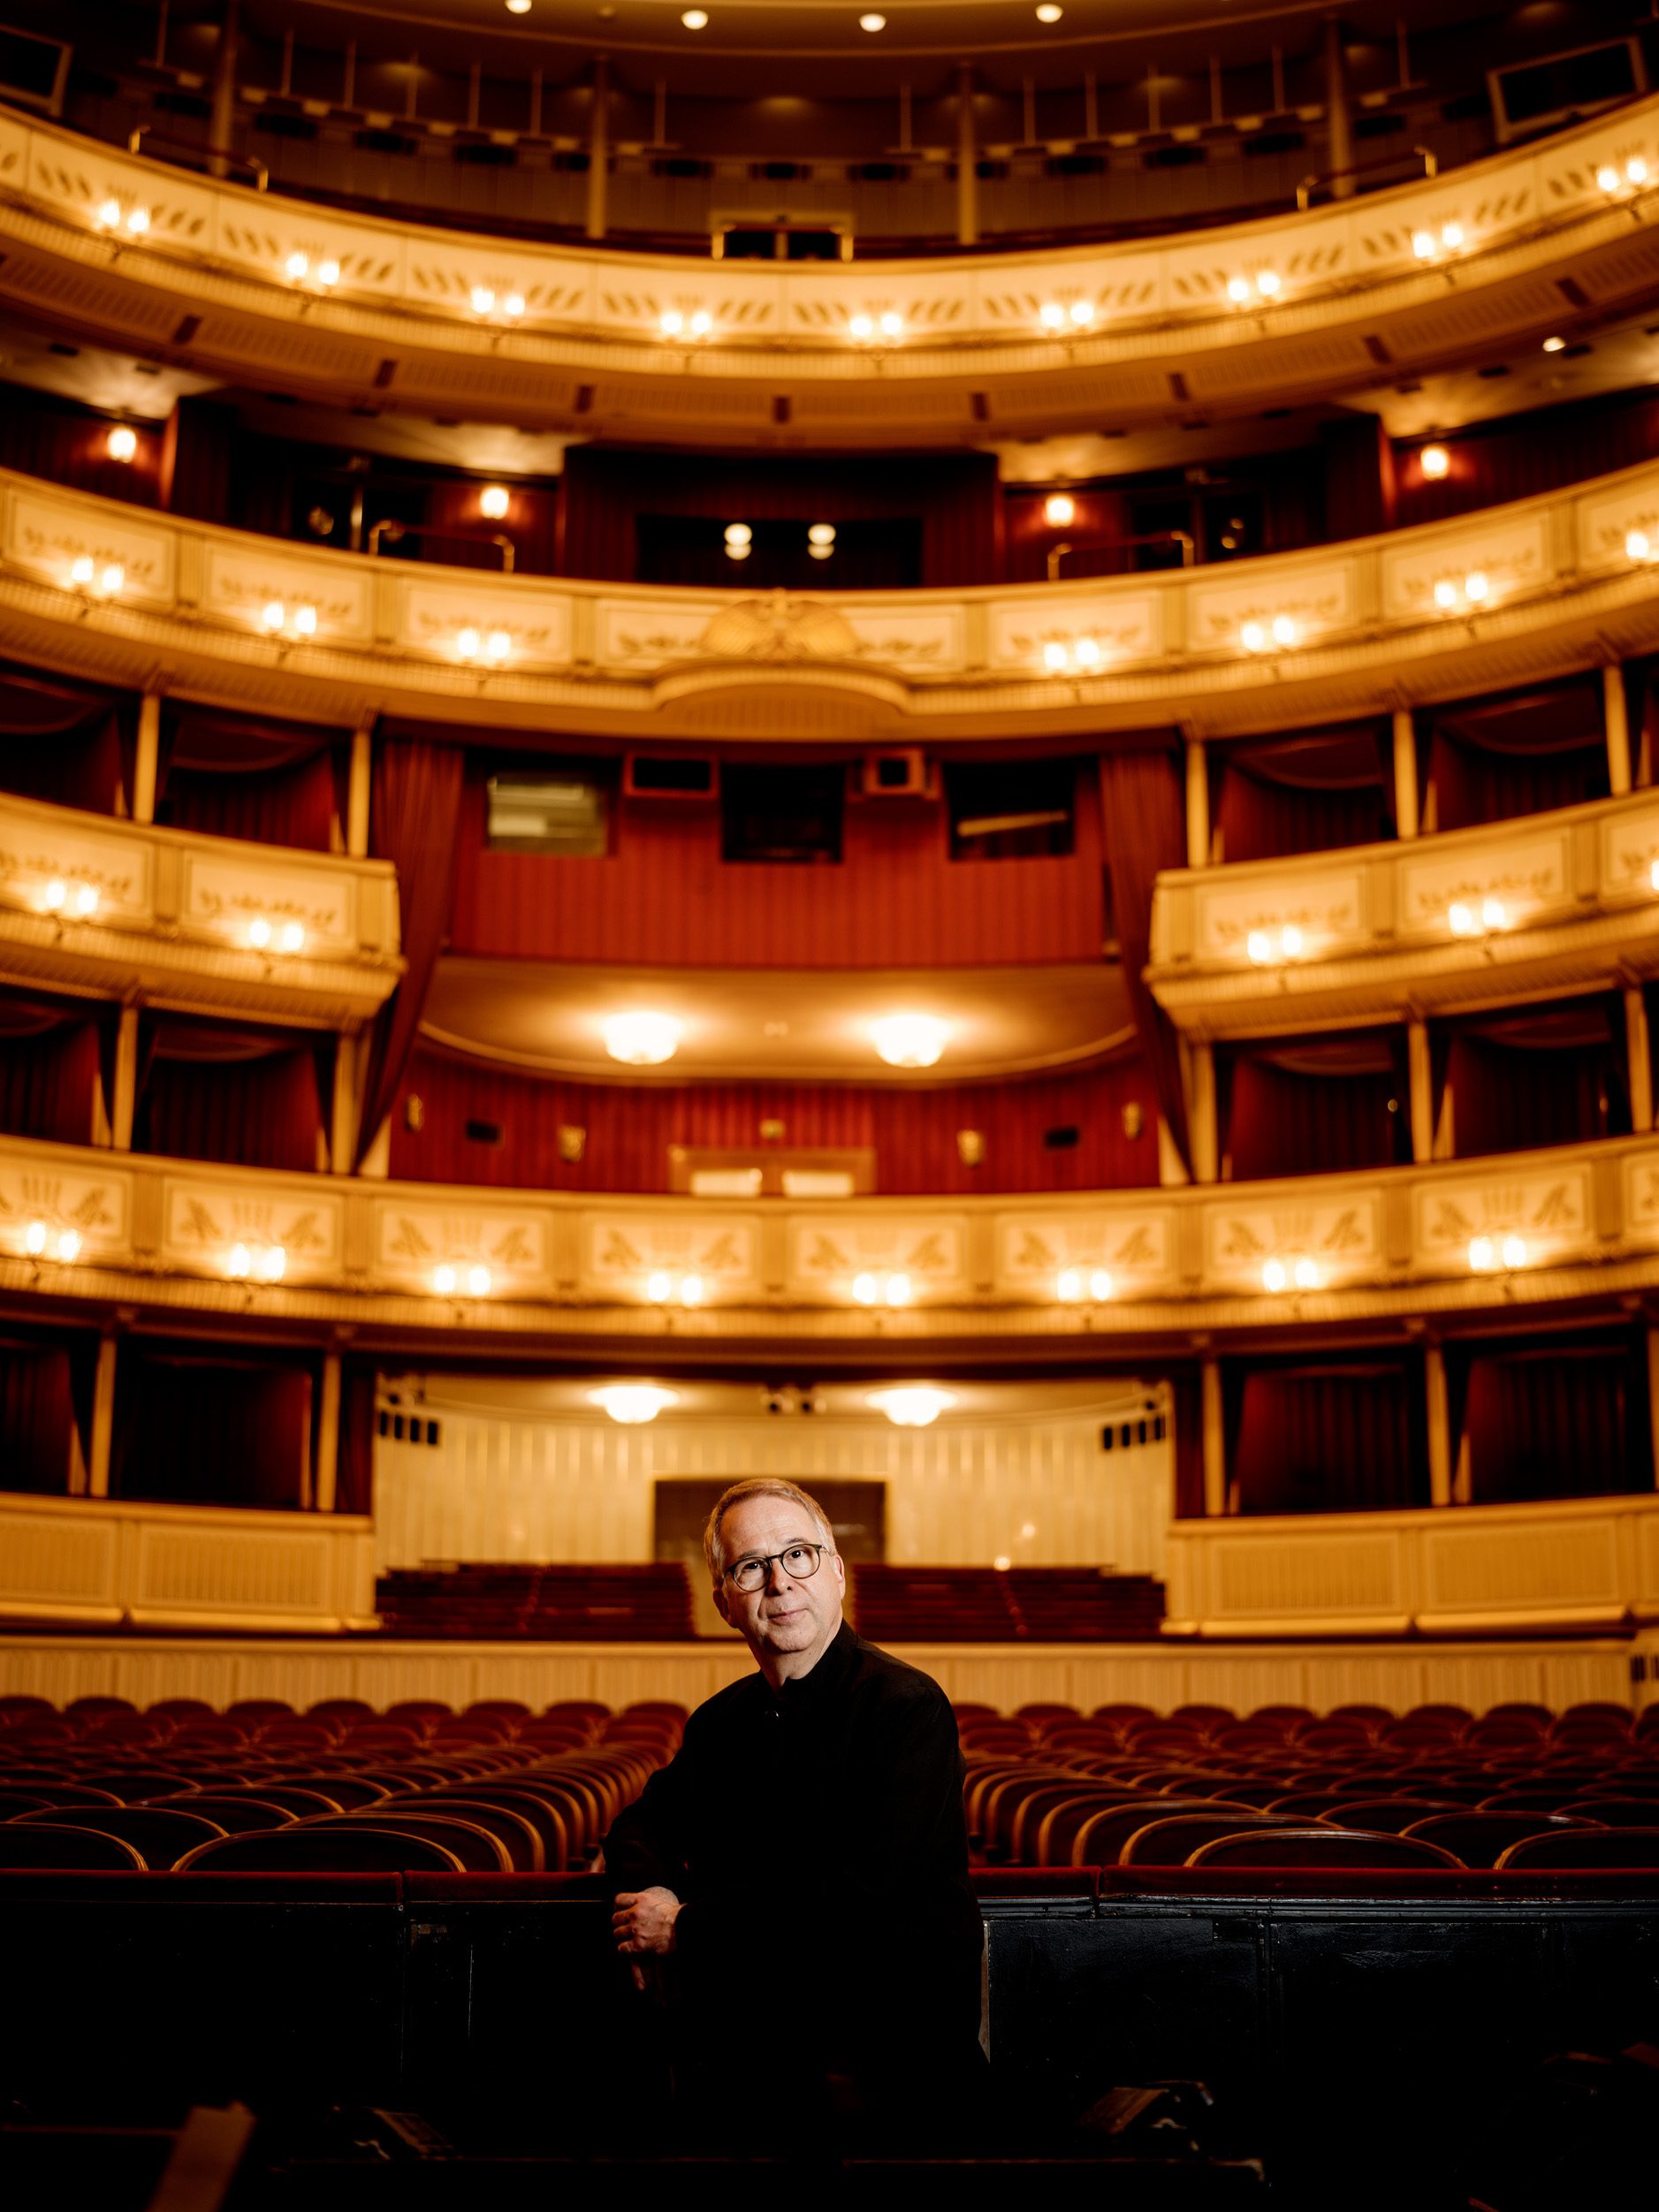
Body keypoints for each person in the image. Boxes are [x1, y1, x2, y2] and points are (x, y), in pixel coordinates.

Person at [604, 1477, 987, 2147]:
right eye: (749, 1566)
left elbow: (858, 1900)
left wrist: (684, 1928)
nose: (778, 1581)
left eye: (798, 1554)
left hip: (889, 2078)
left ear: (836, 1572)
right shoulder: (721, 1721)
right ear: (724, 1600)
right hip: (746, 2066)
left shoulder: (905, 1706)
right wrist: (650, 1894)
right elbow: (638, 1827)